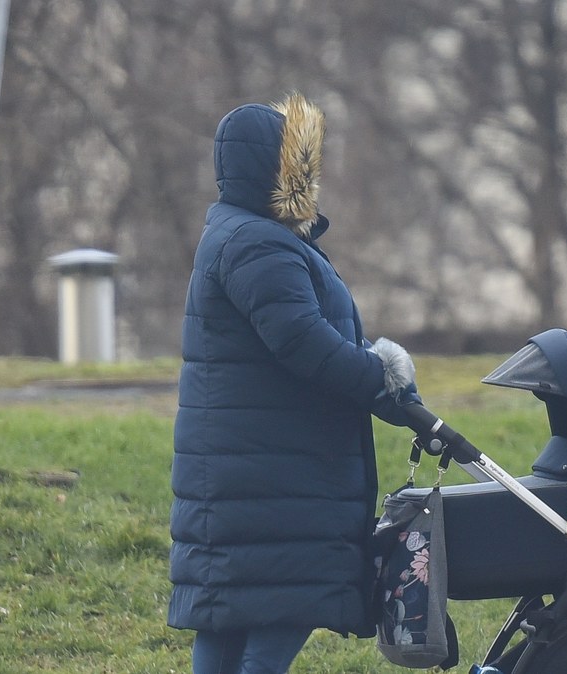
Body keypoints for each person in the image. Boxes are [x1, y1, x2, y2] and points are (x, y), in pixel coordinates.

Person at [168, 93, 420, 674]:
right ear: (276, 169)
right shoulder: (258, 243)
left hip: (253, 478)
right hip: (276, 483)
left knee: (231, 632)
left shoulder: (239, 235)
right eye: (299, 163)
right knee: (271, 628)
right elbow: (306, 342)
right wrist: (383, 379)